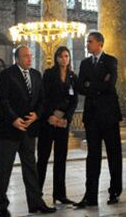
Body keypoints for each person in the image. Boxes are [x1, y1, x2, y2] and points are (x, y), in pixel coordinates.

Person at [0, 45, 56, 217]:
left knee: (31, 168)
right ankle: (1, 206)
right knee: (3, 169)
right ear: (17, 58)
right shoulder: (7, 75)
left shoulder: (36, 75)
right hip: (8, 130)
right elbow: (2, 100)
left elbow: (42, 100)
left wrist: (37, 115)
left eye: (30, 56)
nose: (30, 58)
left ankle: (36, 202)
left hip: (29, 130)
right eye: (26, 56)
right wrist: (14, 119)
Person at [74, 31, 123, 208]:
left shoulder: (111, 61)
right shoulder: (85, 63)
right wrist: (97, 85)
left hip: (109, 116)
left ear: (100, 43)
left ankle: (115, 191)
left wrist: (90, 85)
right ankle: (91, 196)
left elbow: (110, 85)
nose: (87, 44)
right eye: (87, 42)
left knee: (114, 155)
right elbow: (80, 87)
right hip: (92, 116)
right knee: (92, 156)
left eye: (90, 42)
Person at [37, 46, 78, 205]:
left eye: (66, 56)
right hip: (48, 122)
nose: (64, 59)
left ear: (69, 58)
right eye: (61, 56)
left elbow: (73, 101)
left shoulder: (73, 77)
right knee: (43, 158)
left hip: (62, 124)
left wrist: (65, 118)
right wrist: (50, 116)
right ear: (56, 58)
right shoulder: (48, 74)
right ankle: (37, 193)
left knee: (61, 159)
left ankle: (60, 194)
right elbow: (43, 97)